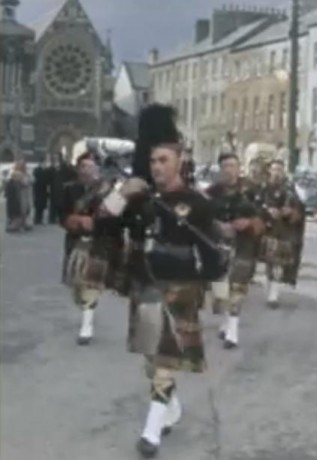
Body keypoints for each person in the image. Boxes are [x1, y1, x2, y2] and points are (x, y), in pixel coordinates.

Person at [99, 140, 227, 458]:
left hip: (182, 289)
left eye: (164, 159)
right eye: (153, 160)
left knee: (164, 360)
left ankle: (151, 431)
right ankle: (172, 406)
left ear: (180, 161)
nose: (157, 166)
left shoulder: (197, 203)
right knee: (151, 358)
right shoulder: (141, 199)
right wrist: (122, 193)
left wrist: (214, 293)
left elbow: (212, 253)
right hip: (145, 284)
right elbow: (104, 221)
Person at [59, 152, 123, 345]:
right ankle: (86, 308)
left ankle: (87, 325)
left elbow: (117, 217)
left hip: (98, 243)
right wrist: (76, 220)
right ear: (78, 169)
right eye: (83, 166)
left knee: (91, 285)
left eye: (90, 166)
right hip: (76, 242)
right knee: (77, 289)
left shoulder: (107, 189)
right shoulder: (69, 190)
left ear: (97, 169)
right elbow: (61, 215)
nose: (87, 170)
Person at [206, 152, 264, 349]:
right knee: (220, 292)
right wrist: (217, 226)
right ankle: (225, 321)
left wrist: (248, 223)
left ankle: (233, 332)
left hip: (244, 246)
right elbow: (200, 217)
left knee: (237, 288)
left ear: (239, 169)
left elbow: (264, 220)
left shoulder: (252, 192)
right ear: (220, 169)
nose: (229, 170)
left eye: (233, 166)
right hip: (217, 247)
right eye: (225, 166)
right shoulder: (211, 193)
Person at [257, 159, 305, 307]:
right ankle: (270, 287)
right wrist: (266, 211)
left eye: (280, 169)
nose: (277, 172)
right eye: (274, 169)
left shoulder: (290, 190)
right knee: (269, 263)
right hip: (266, 229)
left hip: (284, 231)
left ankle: (273, 296)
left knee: (278, 263)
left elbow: (299, 210)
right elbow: (254, 206)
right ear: (269, 171)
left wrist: (290, 212)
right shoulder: (263, 188)